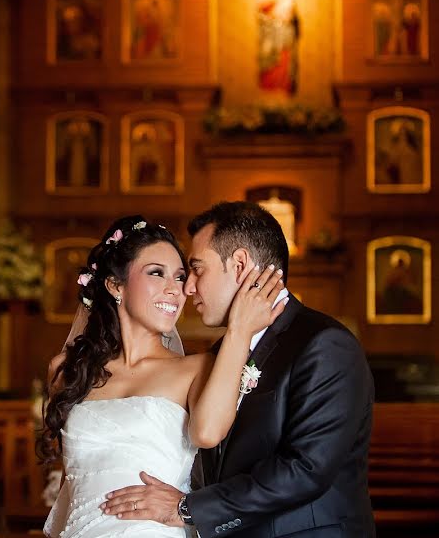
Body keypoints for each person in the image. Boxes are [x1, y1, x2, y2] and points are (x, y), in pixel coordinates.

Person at [101, 202, 375, 537]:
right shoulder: (220, 354)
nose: (188, 288)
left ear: (240, 264)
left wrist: (186, 509)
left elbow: (306, 469)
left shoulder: (323, 344)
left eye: (198, 270)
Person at [40, 214, 286, 538]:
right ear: (115, 285)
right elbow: (73, 481)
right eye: (157, 273)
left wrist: (240, 330)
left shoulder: (197, 368)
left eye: (182, 276)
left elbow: (208, 434)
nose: (177, 290)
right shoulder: (66, 369)